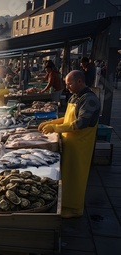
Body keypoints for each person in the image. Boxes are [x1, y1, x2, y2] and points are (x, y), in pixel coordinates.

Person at [38, 70, 100, 218]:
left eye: (69, 83)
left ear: (80, 81)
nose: (68, 87)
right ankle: (64, 204)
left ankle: (75, 209)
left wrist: (56, 128)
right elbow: (67, 119)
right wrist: (52, 122)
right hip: (68, 142)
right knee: (66, 176)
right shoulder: (74, 96)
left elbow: (81, 123)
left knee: (76, 177)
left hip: (80, 146)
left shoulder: (90, 99)